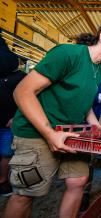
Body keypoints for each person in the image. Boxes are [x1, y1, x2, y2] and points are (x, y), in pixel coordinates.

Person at [3, 22, 101, 218]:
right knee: (26, 193)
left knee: (79, 180)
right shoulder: (68, 54)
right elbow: (22, 91)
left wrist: (94, 123)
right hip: (38, 133)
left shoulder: (97, 69)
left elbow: (84, 98)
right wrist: (49, 133)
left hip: (71, 132)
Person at [0, 34, 26, 196]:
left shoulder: (19, 77)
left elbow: (31, 99)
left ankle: (3, 181)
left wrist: (18, 115)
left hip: (8, 123)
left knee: (6, 153)